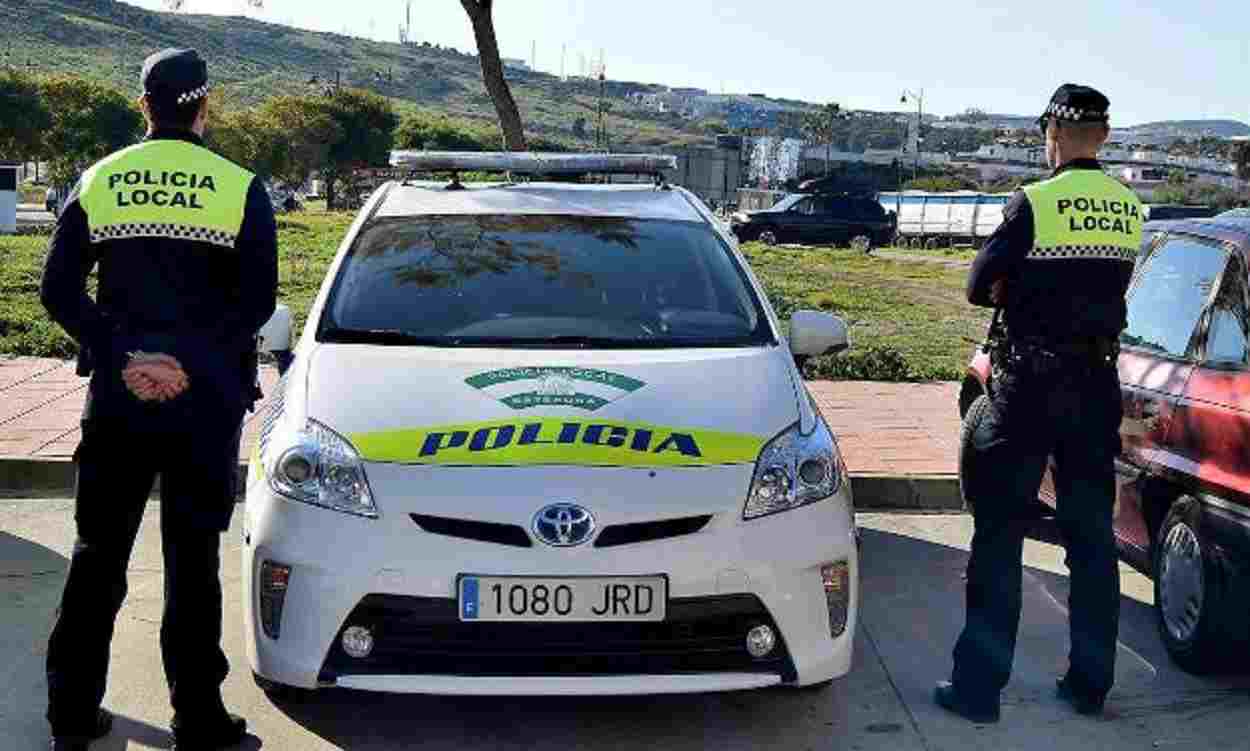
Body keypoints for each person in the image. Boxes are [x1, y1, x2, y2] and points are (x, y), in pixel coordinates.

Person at [39, 48, 278, 751]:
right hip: (204, 406)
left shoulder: (101, 179)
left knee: (96, 555)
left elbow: (58, 291)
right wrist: (187, 364)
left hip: (117, 399)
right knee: (192, 559)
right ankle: (198, 718)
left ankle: (71, 715)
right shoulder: (238, 187)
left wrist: (126, 356)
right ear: (205, 106)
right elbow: (256, 301)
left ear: (144, 105)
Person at [936, 84, 1143, 723]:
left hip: (1027, 384)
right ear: (1104, 137)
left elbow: (978, 286)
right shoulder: (1130, 208)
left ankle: (978, 692)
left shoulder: (1035, 201)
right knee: (1089, 539)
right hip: (1094, 384)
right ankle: (1090, 684)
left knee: (999, 534)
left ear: (1051, 133)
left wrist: (1015, 284)